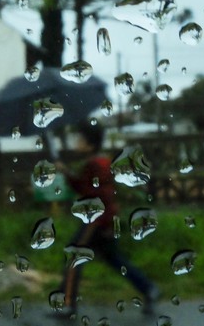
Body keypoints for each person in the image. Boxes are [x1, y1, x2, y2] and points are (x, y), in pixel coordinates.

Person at [54, 123, 160, 318]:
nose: (76, 143)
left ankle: (68, 304)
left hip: (97, 221)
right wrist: (67, 173)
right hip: (105, 220)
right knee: (114, 259)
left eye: (80, 139)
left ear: (89, 144)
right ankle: (148, 288)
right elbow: (85, 188)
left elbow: (96, 195)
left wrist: (103, 223)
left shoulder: (96, 164)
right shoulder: (98, 163)